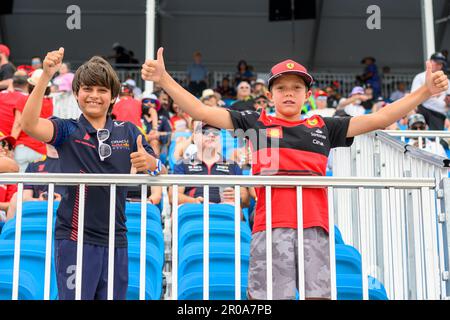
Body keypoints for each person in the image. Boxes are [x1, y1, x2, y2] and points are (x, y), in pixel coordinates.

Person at [142, 48, 448, 299]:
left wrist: (424, 91)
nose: (289, 94)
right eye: (282, 88)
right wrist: (165, 80)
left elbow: (381, 117)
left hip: (315, 225)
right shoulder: (255, 123)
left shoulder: (324, 126)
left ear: (307, 94)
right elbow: (201, 112)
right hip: (270, 225)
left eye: (297, 88)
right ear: (271, 93)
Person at [21, 47, 161, 300]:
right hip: (75, 239)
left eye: (102, 90)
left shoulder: (128, 131)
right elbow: (29, 125)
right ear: (76, 94)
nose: (94, 96)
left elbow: (158, 167)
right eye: (87, 89)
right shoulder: (67, 130)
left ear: (113, 97)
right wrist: (45, 76)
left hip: (116, 238)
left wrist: (150, 162)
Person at [169, 121, 249, 210]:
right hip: (195, 210)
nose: (211, 135)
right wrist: (194, 201)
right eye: (205, 132)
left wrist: (237, 195)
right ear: (195, 138)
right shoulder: (182, 164)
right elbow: (173, 196)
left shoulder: (233, 165)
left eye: (215, 132)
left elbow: (245, 200)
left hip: (224, 212)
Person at [5, 144, 63, 221]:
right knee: (17, 196)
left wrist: (62, 201)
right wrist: (40, 200)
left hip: (65, 211)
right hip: (38, 210)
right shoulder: (34, 165)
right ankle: (9, 232)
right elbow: (26, 197)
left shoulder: (75, 163)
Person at [12, 69, 54, 172]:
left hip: (23, 147)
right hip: (41, 150)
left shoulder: (23, 100)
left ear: (30, 85)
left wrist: (10, 144)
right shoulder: (49, 103)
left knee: (20, 184)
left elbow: (18, 124)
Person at [412, 52, 450, 130]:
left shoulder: (445, 80)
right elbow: (413, 97)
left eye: (440, 63)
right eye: (436, 62)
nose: (438, 65)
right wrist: (429, 93)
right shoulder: (420, 77)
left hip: (440, 113)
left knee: (436, 139)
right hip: (423, 110)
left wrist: (448, 101)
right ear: (430, 62)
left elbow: (448, 99)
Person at [0, 70, 29, 137]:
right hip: (15, 139)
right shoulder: (28, 99)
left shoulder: (1, 94)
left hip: (2, 137)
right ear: (27, 83)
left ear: (12, 83)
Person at [0, 134, 19, 222]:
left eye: (9, 146)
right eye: (3, 143)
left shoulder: (12, 177)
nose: (6, 148)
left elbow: (12, 204)